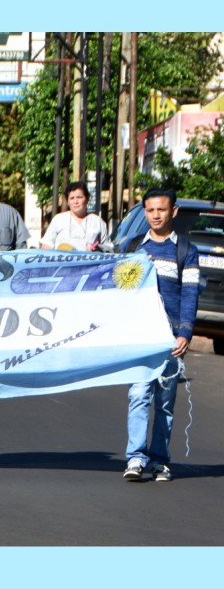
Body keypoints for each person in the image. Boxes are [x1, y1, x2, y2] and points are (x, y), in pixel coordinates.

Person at [122, 188, 199, 483]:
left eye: (162, 210)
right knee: (138, 394)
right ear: (144, 212)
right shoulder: (132, 248)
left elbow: (190, 294)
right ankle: (136, 458)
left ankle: (159, 460)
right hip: (140, 338)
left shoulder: (186, 251)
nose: (156, 215)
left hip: (170, 339)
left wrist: (185, 333)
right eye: (151, 210)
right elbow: (118, 292)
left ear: (173, 212)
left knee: (165, 402)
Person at [40, 181, 109, 251]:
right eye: (72, 198)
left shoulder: (97, 222)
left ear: (87, 199)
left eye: (79, 197)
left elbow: (109, 248)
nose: (75, 202)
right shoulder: (58, 220)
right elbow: (46, 245)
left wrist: (98, 249)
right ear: (68, 201)